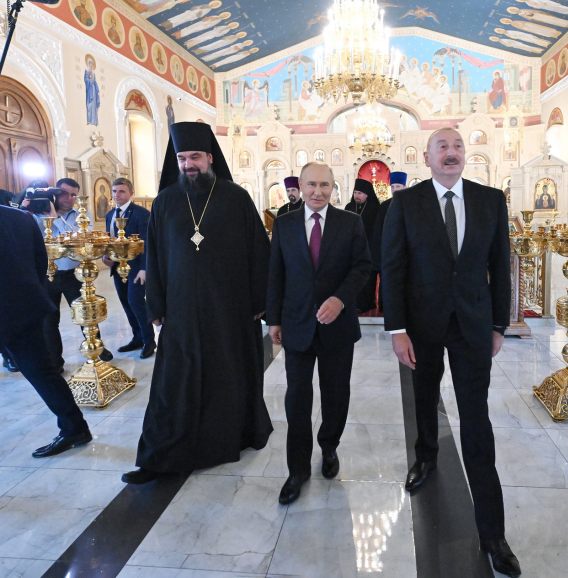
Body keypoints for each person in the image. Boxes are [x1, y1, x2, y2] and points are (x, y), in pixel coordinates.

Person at [381, 128, 520, 577]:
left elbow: (500, 266)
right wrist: (397, 329)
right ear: (427, 157)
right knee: (424, 395)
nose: (452, 152)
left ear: (466, 155)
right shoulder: (407, 203)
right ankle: (425, 455)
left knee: (476, 418)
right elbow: (395, 266)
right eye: (442, 146)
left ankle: (494, 534)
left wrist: (499, 324)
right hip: (421, 324)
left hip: (473, 326)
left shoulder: (489, 200)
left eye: (458, 146)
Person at [122, 122, 272, 484]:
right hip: (182, 311)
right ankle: (159, 454)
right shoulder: (165, 202)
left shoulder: (236, 197)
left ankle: (229, 439)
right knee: (173, 382)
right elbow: (154, 257)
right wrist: (155, 306)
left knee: (228, 376)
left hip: (230, 310)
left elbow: (259, 254)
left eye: (195, 157)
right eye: (182, 158)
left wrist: (260, 301)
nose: (188, 164)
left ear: (209, 158)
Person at [266, 162, 371, 505]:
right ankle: (297, 469)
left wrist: (341, 300)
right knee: (297, 397)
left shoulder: (350, 223)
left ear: (333, 187)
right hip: (296, 324)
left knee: (335, 392)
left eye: (324, 185)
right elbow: (276, 274)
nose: (317, 191)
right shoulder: (283, 224)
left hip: (337, 326)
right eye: (311, 184)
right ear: (301, 184)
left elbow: (362, 267)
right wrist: (274, 320)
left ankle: (329, 448)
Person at [0, 206, 92, 457]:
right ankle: (75, 427)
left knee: (41, 372)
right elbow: (41, 262)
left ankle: (74, 428)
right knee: (42, 372)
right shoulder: (22, 217)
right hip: (24, 307)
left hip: (10, 311)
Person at [24, 178, 114, 372]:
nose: (69, 198)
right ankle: (55, 360)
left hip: (75, 274)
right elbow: (29, 235)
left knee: (86, 313)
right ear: (55, 193)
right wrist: (27, 211)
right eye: (64, 193)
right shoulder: (36, 214)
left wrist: (55, 217)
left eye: (73, 194)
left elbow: (76, 240)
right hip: (47, 274)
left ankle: (96, 346)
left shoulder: (81, 215)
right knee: (49, 320)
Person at [101, 178, 154, 359]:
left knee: (136, 302)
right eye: (115, 191)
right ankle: (137, 338)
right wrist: (106, 257)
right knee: (126, 303)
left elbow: (147, 242)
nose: (117, 195)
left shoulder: (140, 213)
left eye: (122, 191)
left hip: (136, 268)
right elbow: (110, 241)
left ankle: (149, 340)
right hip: (117, 268)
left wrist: (145, 268)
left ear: (131, 193)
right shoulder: (110, 215)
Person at [370, 171, 407, 313]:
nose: (395, 190)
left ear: (404, 187)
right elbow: (378, 231)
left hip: (405, 252)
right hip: (388, 252)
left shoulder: (410, 205)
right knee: (387, 281)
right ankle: (386, 307)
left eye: (398, 186)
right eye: (393, 187)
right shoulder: (384, 206)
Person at [345, 178, 380, 313]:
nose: (356, 196)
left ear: (367, 194)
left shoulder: (375, 209)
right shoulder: (349, 208)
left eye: (360, 193)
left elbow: (376, 231)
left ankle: (367, 303)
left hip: (369, 249)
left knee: (367, 278)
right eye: (355, 192)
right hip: (351, 250)